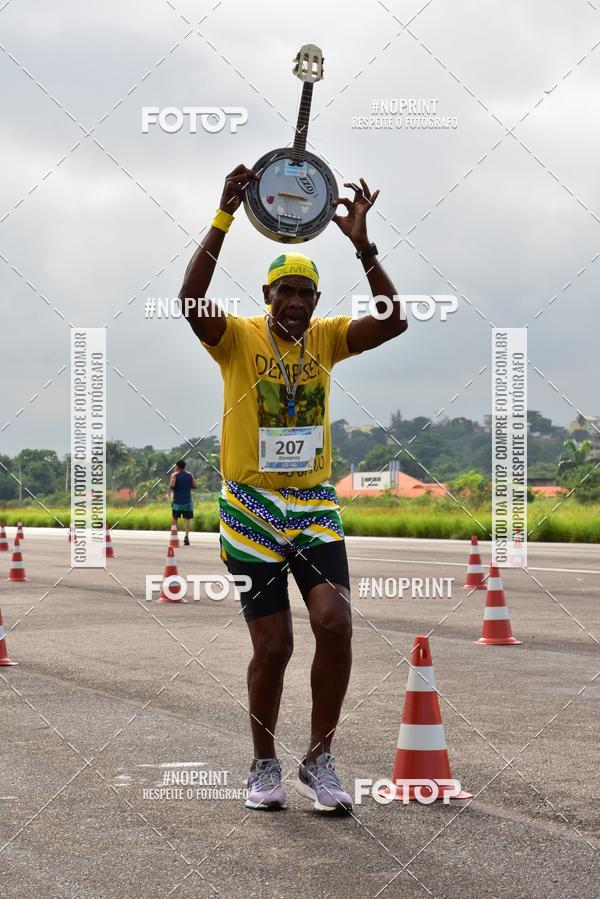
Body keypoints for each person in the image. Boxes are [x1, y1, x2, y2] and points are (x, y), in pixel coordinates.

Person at [179, 164, 407, 814]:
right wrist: (223, 216)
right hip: (250, 508)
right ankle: (263, 763)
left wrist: (364, 246)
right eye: (286, 292)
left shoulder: (328, 338)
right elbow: (190, 302)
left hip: (312, 505)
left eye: (307, 293)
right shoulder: (237, 338)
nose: (298, 303)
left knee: (335, 624)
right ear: (267, 294)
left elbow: (393, 320)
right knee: (274, 646)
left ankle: (318, 757)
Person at [169, 460, 197, 545]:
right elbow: (195, 486)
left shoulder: (174, 475)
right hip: (187, 501)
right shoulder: (190, 475)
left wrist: (173, 482)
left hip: (177, 501)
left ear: (177, 466)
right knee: (187, 520)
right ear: (184, 466)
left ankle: (175, 536)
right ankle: (186, 536)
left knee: (175, 519)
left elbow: (172, 485)